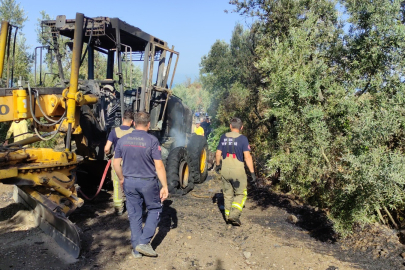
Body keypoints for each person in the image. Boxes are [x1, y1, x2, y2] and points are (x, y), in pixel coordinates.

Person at [113, 111, 169, 258]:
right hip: (148, 182)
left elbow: (116, 163)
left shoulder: (122, 140)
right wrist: (164, 185)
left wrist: (121, 178)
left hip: (129, 182)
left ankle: (137, 250)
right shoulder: (152, 141)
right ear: (148, 124)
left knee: (135, 214)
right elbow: (159, 166)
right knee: (155, 208)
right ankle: (144, 242)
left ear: (134, 123)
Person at [215, 117, 255, 226]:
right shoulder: (243, 139)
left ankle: (227, 216)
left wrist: (218, 165)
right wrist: (252, 173)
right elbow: (247, 157)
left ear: (230, 126)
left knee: (227, 194)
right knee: (241, 193)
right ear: (241, 127)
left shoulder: (223, 137)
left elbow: (218, 153)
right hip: (238, 171)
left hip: (225, 170)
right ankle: (234, 214)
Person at [104, 110, 134, 216]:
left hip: (117, 160)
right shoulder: (134, 132)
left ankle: (118, 208)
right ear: (132, 121)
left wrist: (109, 155)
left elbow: (107, 148)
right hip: (130, 160)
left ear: (122, 119)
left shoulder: (114, 131)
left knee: (117, 183)